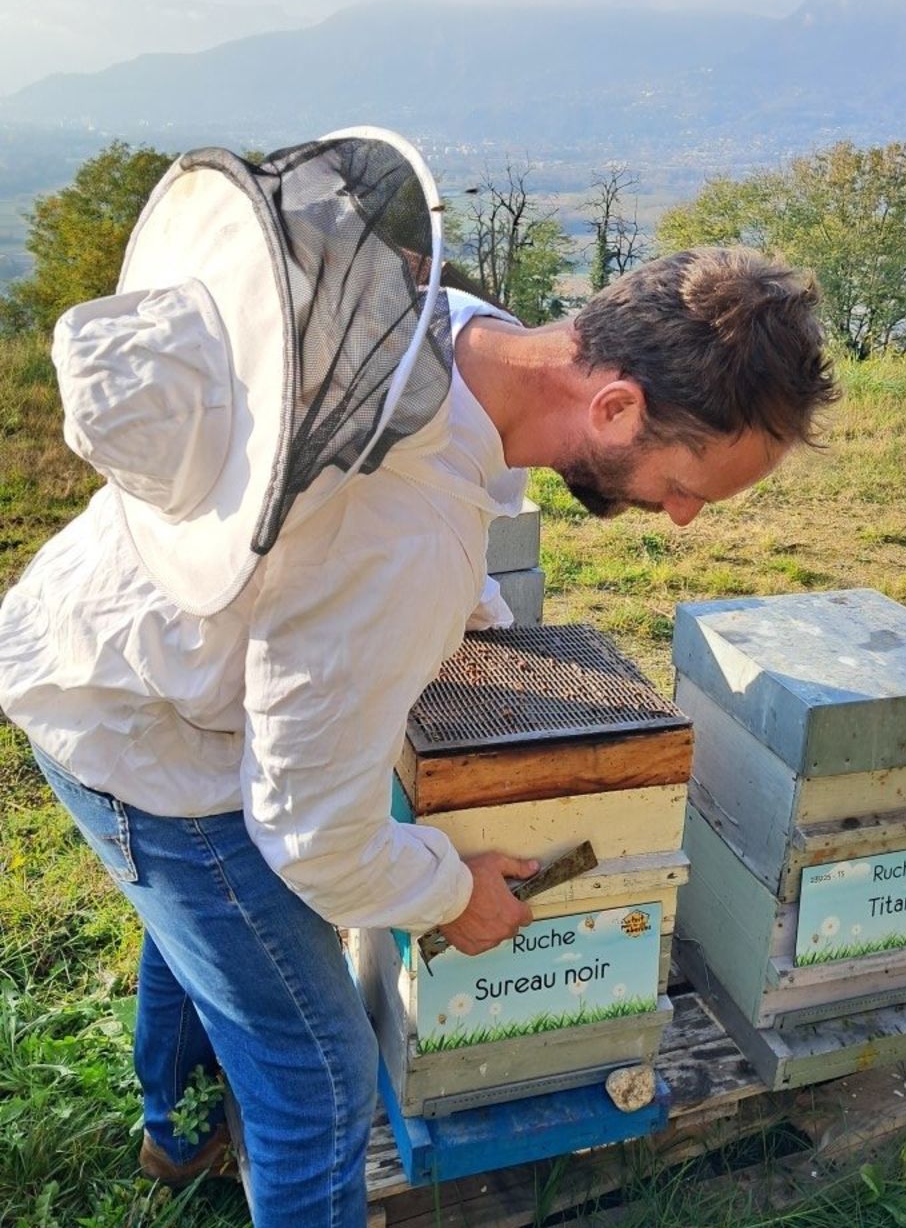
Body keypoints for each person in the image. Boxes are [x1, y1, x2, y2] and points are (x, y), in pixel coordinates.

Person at [0, 136, 836, 1227]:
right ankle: (213, 1133)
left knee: (204, 940)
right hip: (147, 737)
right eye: (688, 487)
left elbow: (418, 502)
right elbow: (306, 830)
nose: (678, 518)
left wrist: (472, 619)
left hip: (87, 647)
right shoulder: (399, 545)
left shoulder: (449, 324)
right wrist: (454, 893)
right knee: (319, 1078)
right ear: (619, 406)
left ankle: (174, 1134)